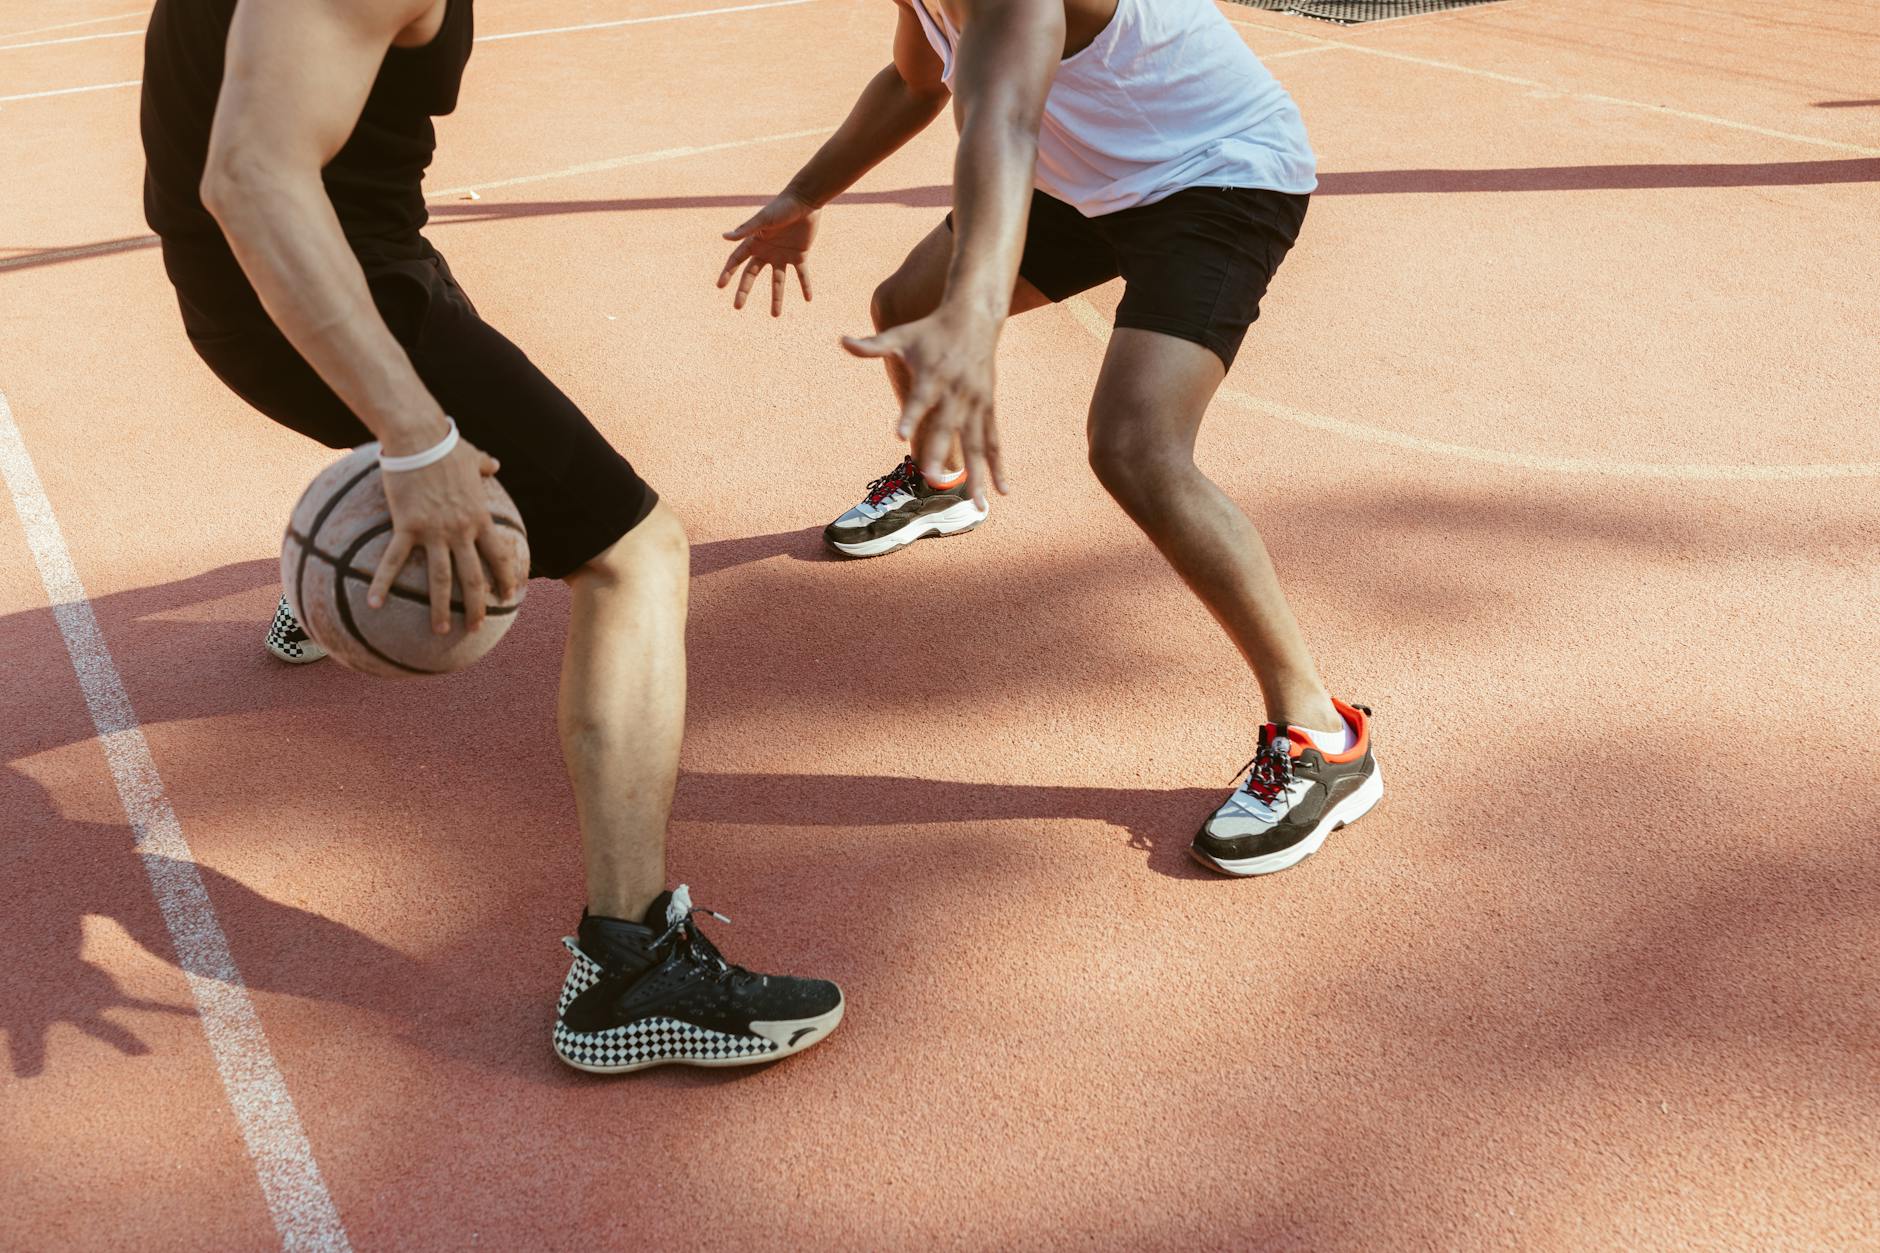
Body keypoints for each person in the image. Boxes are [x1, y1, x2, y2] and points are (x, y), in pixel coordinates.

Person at [139, 0, 841, 1072]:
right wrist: (415, 440)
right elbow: (250, 179)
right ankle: (630, 965)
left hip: (285, 278)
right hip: (327, 276)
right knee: (635, 551)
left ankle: (341, 578)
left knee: (473, 420)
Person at [716, 0, 1381, 874]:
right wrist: (806, 194)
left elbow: (1003, 123)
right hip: (1088, 182)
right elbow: (917, 84)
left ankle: (1324, 738)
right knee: (904, 305)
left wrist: (976, 313)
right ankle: (940, 482)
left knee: (1135, 448)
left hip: (1215, 176)